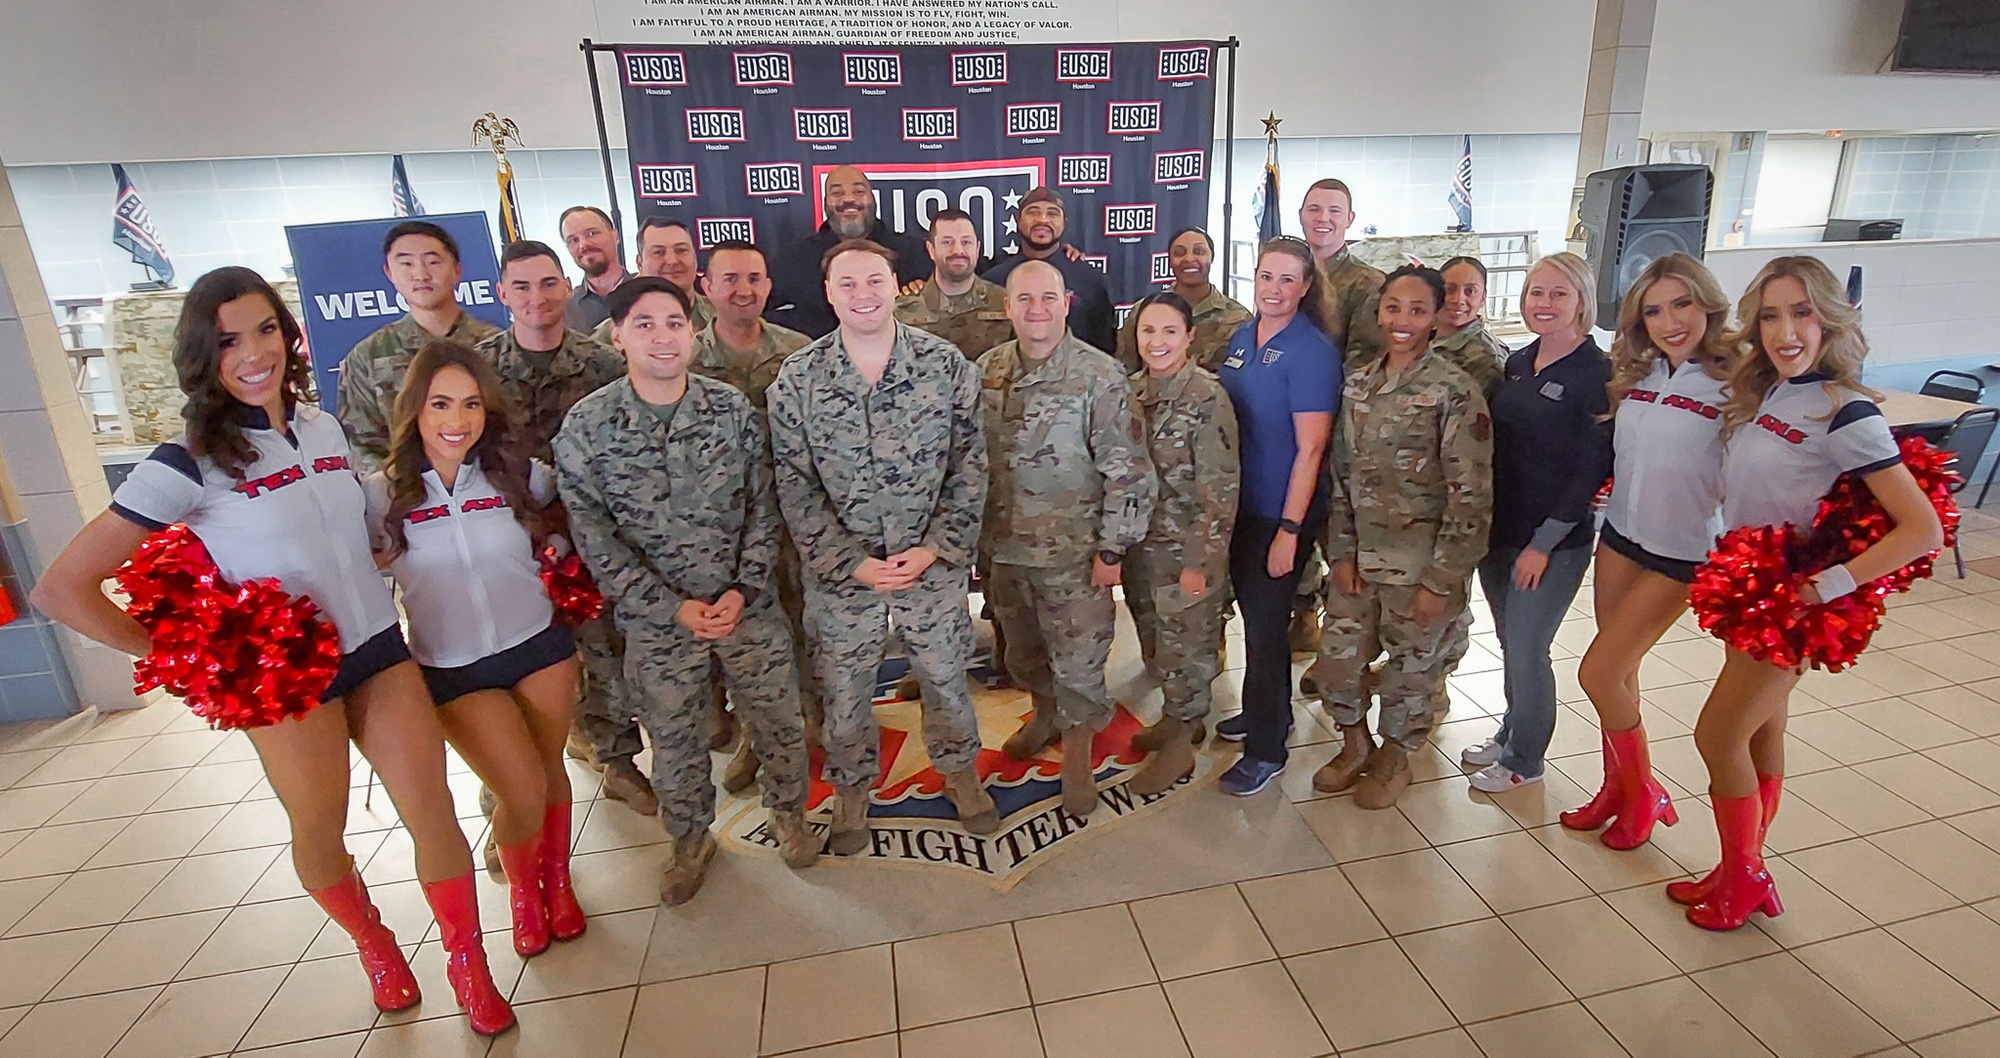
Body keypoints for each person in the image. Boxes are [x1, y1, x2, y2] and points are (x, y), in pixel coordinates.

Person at [31, 267, 513, 1036]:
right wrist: (183, 664)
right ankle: (375, 945)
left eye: (264, 330)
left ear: (288, 336)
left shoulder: (320, 427)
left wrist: (385, 541)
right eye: (227, 340)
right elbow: (62, 589)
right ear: (203, 354)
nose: (252, 353)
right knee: (320, 831)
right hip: (287, 683)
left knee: (434, 811)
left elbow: (358, 534)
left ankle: (469, 966)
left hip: (379, 651)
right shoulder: (187, 460)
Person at [1674, 256, 1943, 930]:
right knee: (1761, 732)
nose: (1785, 331)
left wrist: (1823, 587)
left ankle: (1745, 873)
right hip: (1753, 584)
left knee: (1716, 735)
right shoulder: (1769, 392)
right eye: (1770, 315)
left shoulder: (1846, 411)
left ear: (1830, 318)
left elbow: (1923, 529)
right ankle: (1743, 865)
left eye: (1801, 313)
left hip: (1793, 604)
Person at [553, 277, 817, 905]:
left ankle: (790, 815)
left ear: (692, 333)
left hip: (745, 610)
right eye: (643, 324)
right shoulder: (588, 427)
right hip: (659, 622)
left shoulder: (732, 412)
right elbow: (593, 535)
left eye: (674, 322)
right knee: (675, 741)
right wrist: (669, 606)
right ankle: (690, 839)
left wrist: (745, 588)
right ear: (617, 336)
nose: (661, 336)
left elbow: (765, 507)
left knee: (779, 723)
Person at [767, 239, 997, 854]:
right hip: (844, 577)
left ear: (897, 285)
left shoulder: (946, 365)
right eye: (847, 284)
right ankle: (850, 792)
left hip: (931, 571)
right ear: (828, 293)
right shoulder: (799, 377)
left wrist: (936, 548)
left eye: (874, 280)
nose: (862, 294)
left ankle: (959, 771)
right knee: (844, 694)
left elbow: (970, 467)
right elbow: (793, 482)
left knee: (946, 678)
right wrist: (851, 562)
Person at [365, 340, 587, 957]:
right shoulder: (381, 494)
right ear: (415, 411)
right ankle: (523, 892)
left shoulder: (518, 474)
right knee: (518, 788)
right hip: (453, 669)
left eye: (469, 404)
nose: (456, 420)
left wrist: (560, 553)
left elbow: (573, 517)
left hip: (541, 647)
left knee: (548, 772)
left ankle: (559, 885)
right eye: (440, 404)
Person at [477, 242, 655, 824]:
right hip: (504, 549)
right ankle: (506, 799)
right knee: (512, 671)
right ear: (502, 295)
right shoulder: (475, 371)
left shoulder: (602, 363)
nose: (538, 299)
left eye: (550, 284)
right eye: (522, 287)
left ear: (566, 287)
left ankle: (619, 761)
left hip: (589, 544)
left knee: (604, 655)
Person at [1562, 254, 1733, 851]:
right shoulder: (1640, 373)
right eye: (1654, 310)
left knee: (1598, 674)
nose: (1669, 321)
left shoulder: (1738, 381)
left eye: (1682, 304)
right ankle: (1618, 787)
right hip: (1622, 538)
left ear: (1708, 304)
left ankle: (1644, 793)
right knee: (1622, 673)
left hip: (1682, 552)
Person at [1310, 267, 1492, 808]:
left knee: (1411, 674)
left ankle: (1395, 756)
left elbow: (1471, 496)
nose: (1403, 321)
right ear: (1378, 312)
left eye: (1417, 310)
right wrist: (1340, 551)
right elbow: (1340, 477)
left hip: (1421, 567)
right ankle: (1354, 743)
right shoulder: (1358, 383)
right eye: (1393, 308)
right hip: (1359, 562)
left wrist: (1442, 581)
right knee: (1339, 664)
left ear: (1436, 316)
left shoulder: (1455, 392)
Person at [981, 261, 1157, 816]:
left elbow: (1128, 471)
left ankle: (1078, 753)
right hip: (1005, 551)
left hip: (1075, 555)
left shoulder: (1098, 376)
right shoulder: (986, 371)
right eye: (1024, 298)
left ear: (1067, 302)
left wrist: (1113, 549)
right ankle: (1045, 716)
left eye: (1048, 297)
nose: (1036, 308)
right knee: (1025, 655)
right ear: (1007, 306)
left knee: (1078, 662)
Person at [1461, 252, 1611, 793]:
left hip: (1552, 542)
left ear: (1581, 302)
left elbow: (1589, 470)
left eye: (1557, 294)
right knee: (1508, 641)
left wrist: (1543, 543)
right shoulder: (1519, 363)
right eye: (1534, 294)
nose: (1543, 304)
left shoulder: (1596, 374)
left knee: (1529, 646)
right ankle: (1510, 731)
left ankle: (1526, 758)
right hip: (1501, 531)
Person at [1211, 237, 1341, 795]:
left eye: (1288, 279)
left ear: (1306, 287)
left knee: (1268, 634)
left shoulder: (1312, 350)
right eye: (1267, 276)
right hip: (1240, 504)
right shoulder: (1243, 337)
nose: (1275, 289)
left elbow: (1312, 449)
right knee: (1253, 623)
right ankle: (1263, 712)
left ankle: (1267, 749)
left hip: (1279, 511)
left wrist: (1290, 531)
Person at [691, 239, 816, 795]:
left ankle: (813, 726)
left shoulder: (802, 352)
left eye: (755, 278)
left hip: (797, 523)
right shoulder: (685, 360)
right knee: (743, 646)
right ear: (706, 288)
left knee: (807, 628)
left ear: (769, 286)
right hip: (726, 535)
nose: (744, 290)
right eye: (730, 279)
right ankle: (752, 737)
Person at [1121, 291, 1239, 795]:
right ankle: (1174, 721)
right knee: (1159, 644)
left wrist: (1201, 563)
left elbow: (1221, 491)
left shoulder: (1206, 398)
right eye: (1148, 331)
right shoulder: (1129, 392)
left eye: (1170, 331)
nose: (1158, 341)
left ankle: (1181, 748)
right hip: (1141, 549)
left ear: (1190, 337)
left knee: (1187, 648)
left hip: (1186, 550)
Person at [336, 220, 499, 472]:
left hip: (490, 492)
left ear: (457, 270)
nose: (421, 274)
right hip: (408, 498)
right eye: (406, 264)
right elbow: (363, 446)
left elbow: (511, 430)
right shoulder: (367, 356)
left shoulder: (496, 345)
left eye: (433, 262)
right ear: (389, 273)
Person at [767, 166, 931, 337]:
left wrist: (925, 293)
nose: (849, 199)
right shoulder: (795, 259)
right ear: (825, 203)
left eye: (859, 191)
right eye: (837, 193)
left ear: (873, 199)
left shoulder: (915, 252)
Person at [982, 187, 1117, 354]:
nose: (1042, 219)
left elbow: (1104, 347)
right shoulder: (994, 278)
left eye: (1052, 213)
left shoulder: (1090, 281)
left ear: (1064, 223)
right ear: (1018, 221)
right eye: (1033, 212)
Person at [1114, 227, 1252, 374]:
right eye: (1179, 253)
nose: (1189, 259)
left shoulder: (1238, 318)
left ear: (1211, 257)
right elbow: (1124, 371)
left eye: (1199, 251)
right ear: (1170, 261)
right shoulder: (1143, 312)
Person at [895, 207, 1014, 360]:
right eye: (947, 242)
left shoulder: (1005, 303)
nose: (958, 250)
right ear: (931, 250)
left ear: (977, 249)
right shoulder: (902, 310)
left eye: (966, 242)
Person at [1299, 178, 1387, 364]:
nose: (1323, 218)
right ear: (1301, 215)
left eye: (1334, 211)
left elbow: (1363, 361)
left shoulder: (1370, 283)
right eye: (1314, 209)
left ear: (1349, 219)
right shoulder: (1286, 275)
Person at [591, 216, 714, 344]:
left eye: (681, 250)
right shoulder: (614, 332)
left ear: (695, 258)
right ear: (640, 264)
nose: (672, 261)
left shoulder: (724, 317)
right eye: (658, 252)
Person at [1431, 256, 1510, 397]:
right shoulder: (1424, 338)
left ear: (1483, 298)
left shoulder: (1485, 359)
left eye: (1471, 291)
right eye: (1450, 289)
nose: (1459, 299)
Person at [561, 205, 629, 332]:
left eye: (592, 234)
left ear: (615, 236)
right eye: (573, 240)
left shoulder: (647, 295)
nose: (583, 245)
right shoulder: (565, 312)